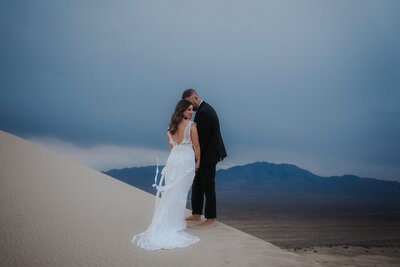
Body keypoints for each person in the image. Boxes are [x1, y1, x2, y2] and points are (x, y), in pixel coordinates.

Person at [131, 99, 201, 250]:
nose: (191, 112)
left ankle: (171, 221)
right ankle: (174, 224)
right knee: (180, 193)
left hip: (173, 160)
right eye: (189, 109)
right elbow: (196, 146)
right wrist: (198, 161)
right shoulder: (192, 127)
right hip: (186, 161)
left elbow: (172, 148)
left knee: (172, 192)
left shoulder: (170, 127)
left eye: (191, 109)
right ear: (182, 110)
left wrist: (176, 160)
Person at [182, 89, 227, 227]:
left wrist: (197, 157)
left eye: (189, 103)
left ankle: (211, 219)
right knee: (197, 184)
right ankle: (196, 213)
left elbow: (203, 140)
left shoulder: (204, 112)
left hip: (208, 155)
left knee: (208, 186)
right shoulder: (202, 110)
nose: (189, 108)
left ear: (195, 98)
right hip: (204, 155)